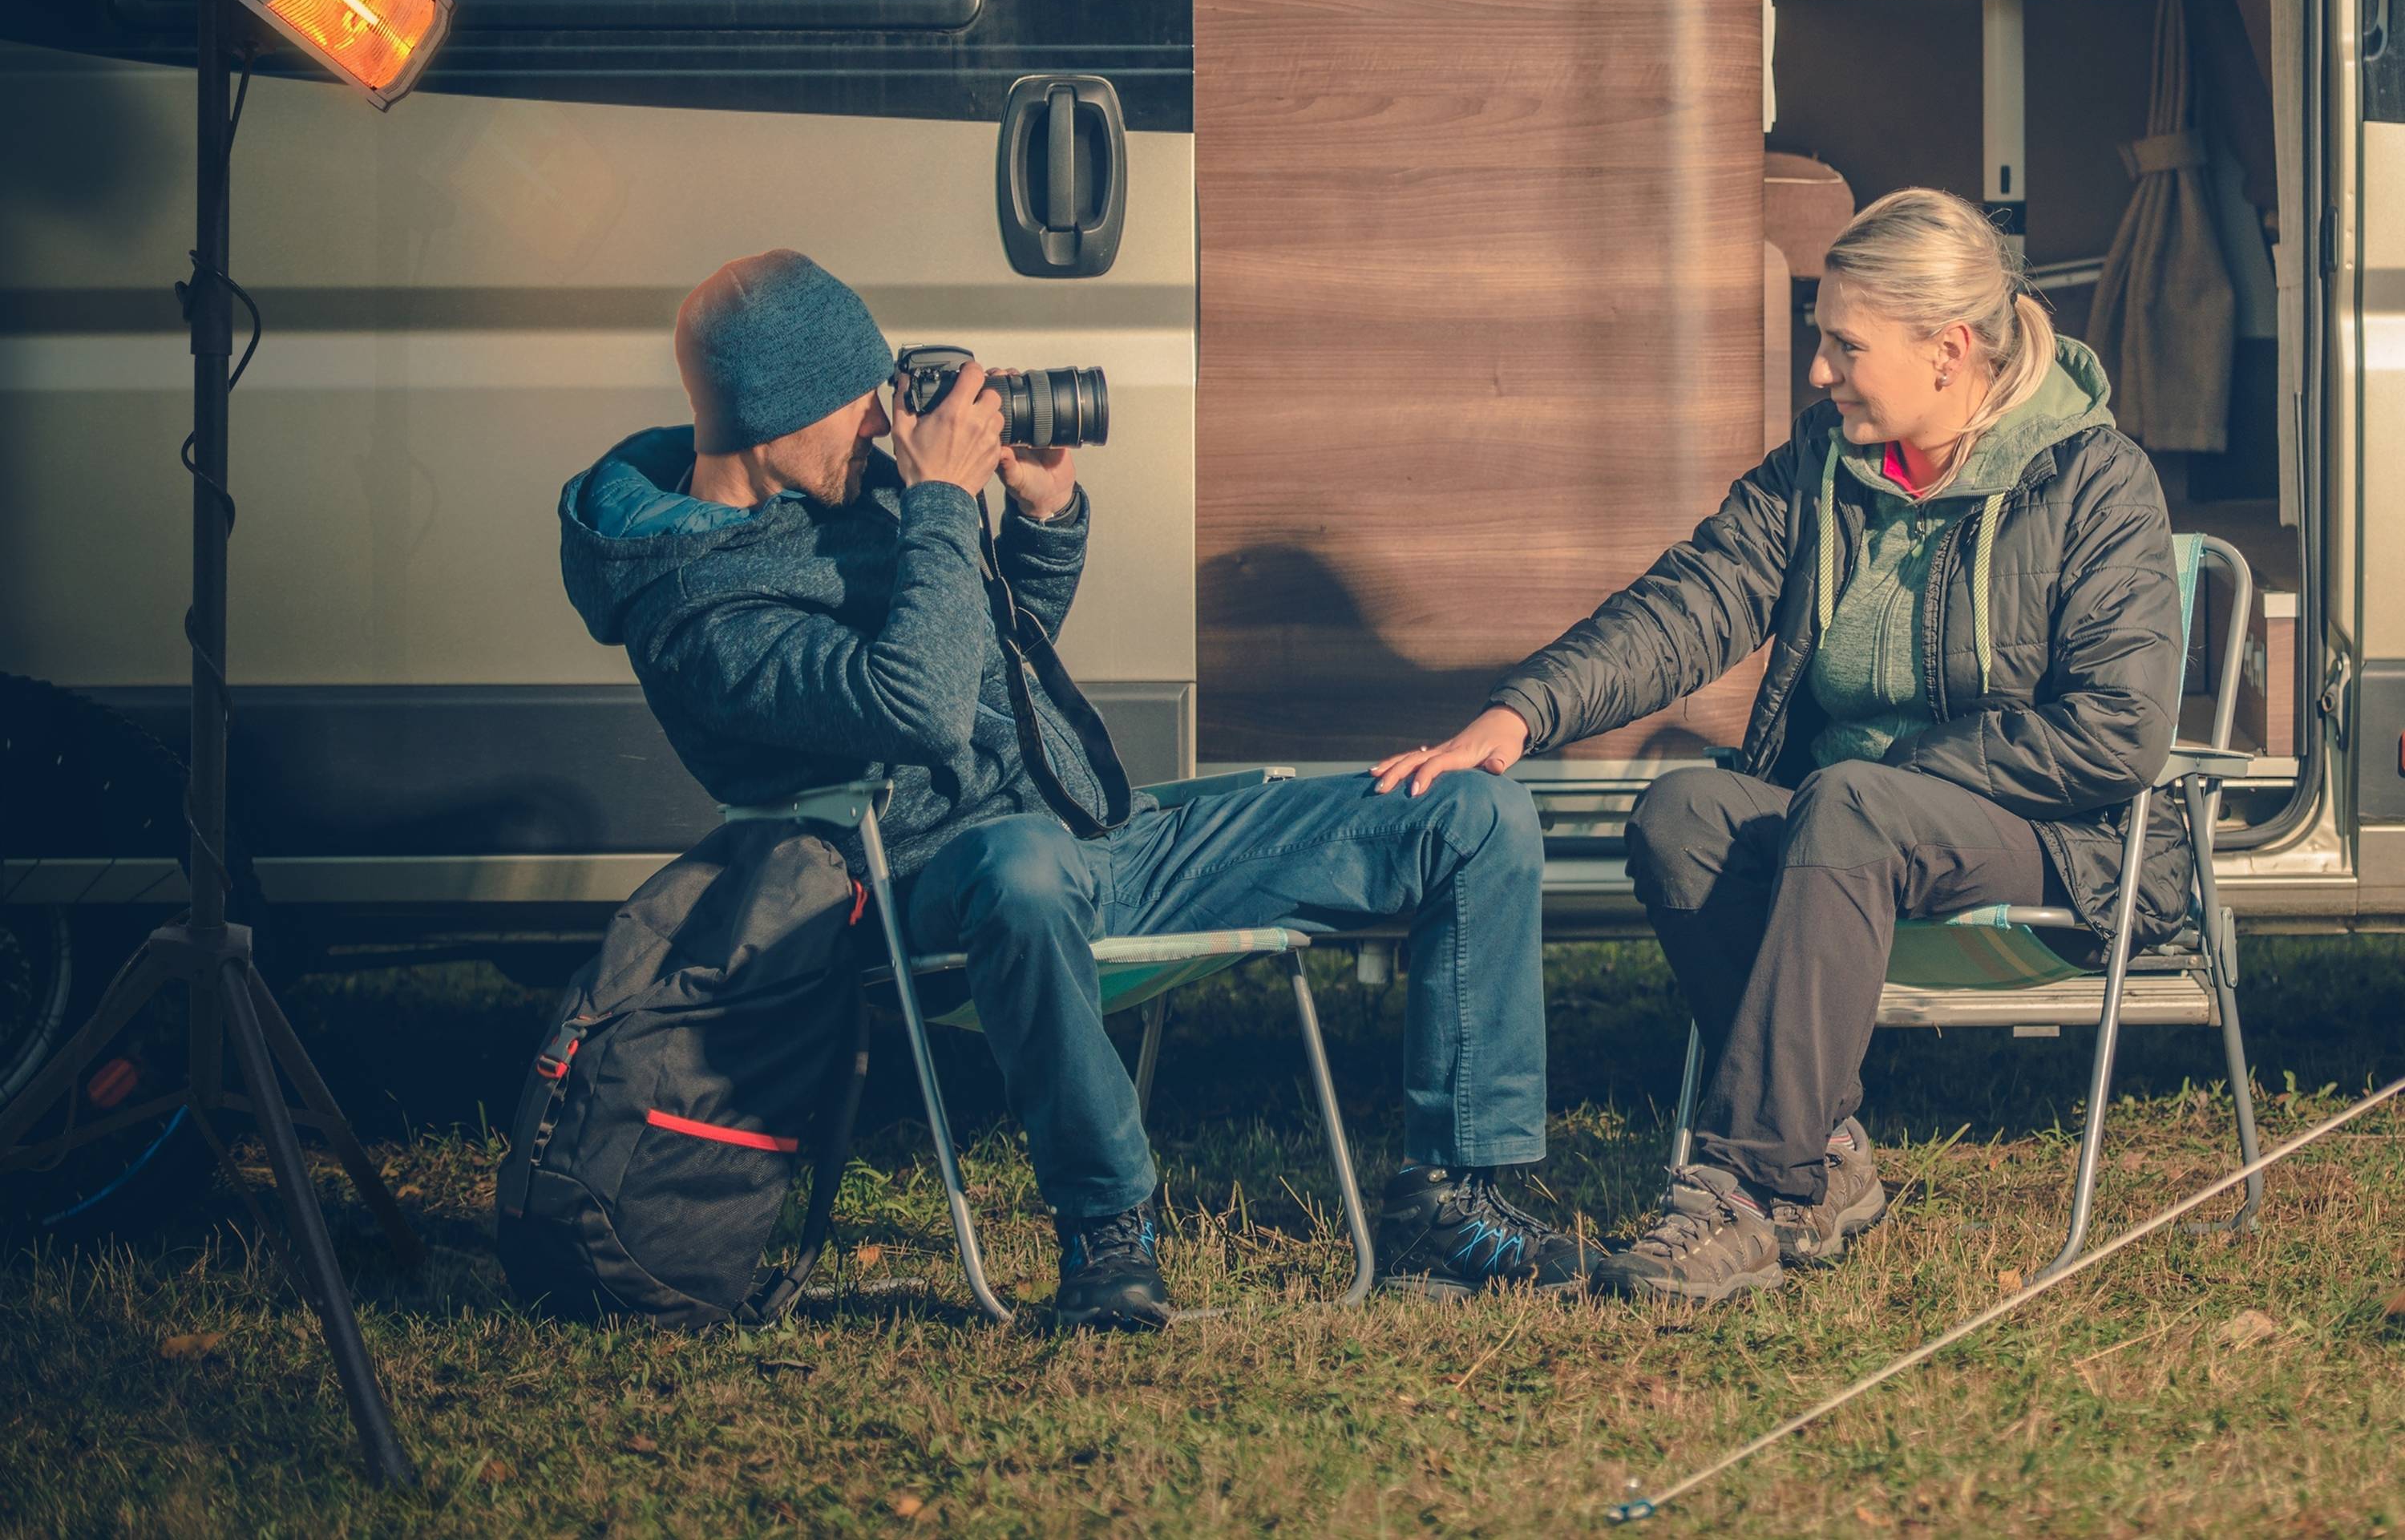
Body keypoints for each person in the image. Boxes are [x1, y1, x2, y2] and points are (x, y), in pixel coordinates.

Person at [560, 249, 1579, 1329]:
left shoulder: (845, 491)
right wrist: (943, 502)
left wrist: (1041, 516)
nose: (880, 425)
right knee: (1022, 864)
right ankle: (1108, 1229)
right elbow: (918, 705)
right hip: (934, 888)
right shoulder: (699, 609)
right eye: (859, 404)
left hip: (1107, 841)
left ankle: (1452, 1201)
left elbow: (996, 654)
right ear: (773, 418)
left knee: (1472, 815)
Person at [1375, 188, 2186, 1306]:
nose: (1818, 371)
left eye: (1843, 344)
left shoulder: (2092, 480)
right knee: (1682, 816)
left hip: (2048, 835)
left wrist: (1893, 778)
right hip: (1852, 825)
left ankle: (1746, 1193)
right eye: (1822, 339)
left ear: (1947, 351)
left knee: (1846, 800)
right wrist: (1522, 713)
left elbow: (2121, 732)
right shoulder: (1825, 469)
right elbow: (1691, 603)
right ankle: (1828, 1152)